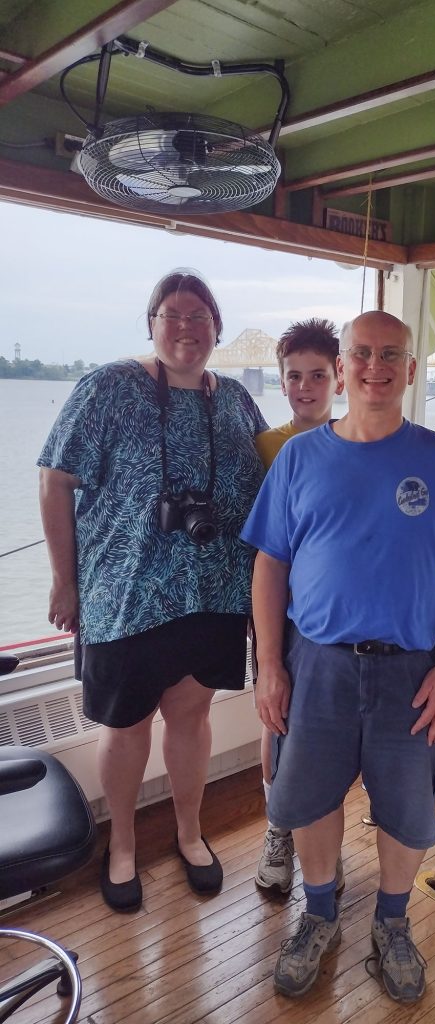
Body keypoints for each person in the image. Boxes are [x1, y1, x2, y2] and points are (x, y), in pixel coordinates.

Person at [241, 310, 435, 1003]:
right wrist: (270, 665)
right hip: (316, 661)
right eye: (362, 354)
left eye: (391, 355)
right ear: (343, 367)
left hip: (413, 671)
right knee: (310, 796)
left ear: (411, 370)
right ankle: (318, 912)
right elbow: (269, 566)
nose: (375, 367)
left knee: (408, 807)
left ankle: (391, 922)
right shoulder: (298, 457)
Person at [38, 269, 268, 913]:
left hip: (214, 590)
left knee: (190, 719)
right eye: (172, 314)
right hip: (126, 592)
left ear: (218, 328)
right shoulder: (109, 388)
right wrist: (66, 580)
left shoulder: (237, 401)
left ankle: (191, 833)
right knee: (126, 724)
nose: (186, 328)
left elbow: (275, 478)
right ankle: (123, 847)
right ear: (151, 323)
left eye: (200, 316)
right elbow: (55, 481)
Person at [253, 317, 344, 894]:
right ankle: (277, 829)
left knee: (324, 733)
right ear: (282, 382)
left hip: (328, 620)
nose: (305, 386)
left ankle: (319, 842)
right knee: (276, 716)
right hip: (277, 615)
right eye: (294, 376)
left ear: (338, 377)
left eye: (317, 375)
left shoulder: (354, 441)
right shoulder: (267, 446)